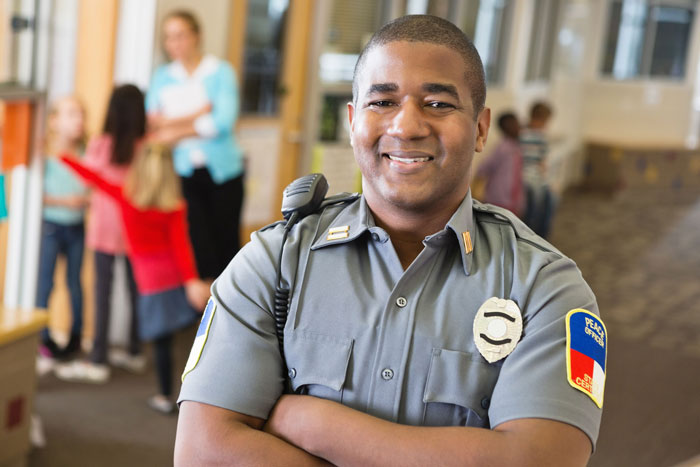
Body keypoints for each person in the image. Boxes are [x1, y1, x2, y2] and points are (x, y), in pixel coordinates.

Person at [175, 15, 605, 466]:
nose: (406, 126)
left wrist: (309, 423)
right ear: (352, 119)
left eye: (438, 104)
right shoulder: (275, 260)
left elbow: (537, 461)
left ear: (480, 128)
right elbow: (203, 453)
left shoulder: (547, 288)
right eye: (382, 101)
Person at [60, 144, 210, 414]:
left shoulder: (125, 197)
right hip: (175, 278)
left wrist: (63, 156)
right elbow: (181, 246)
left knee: (162, 345)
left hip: (151, 283)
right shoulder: (174, 206)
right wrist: (190, 280)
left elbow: (93, 177)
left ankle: (166, 397)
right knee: (189, 342)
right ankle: (198, 398)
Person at [55, 84, 146, 383]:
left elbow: (86, 179)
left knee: (102, 291)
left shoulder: (101, 144)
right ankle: (135, 351)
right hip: (137, 229)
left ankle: (99, 358)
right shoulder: (147, 146)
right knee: (137, 291)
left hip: (106, 228)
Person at [146, 9, 244, 283]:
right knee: (195, 247)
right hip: (182, 174)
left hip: (224, 172)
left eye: (180, 36)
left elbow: (222, 123)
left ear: (196, 36)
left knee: (225, 245)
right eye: (168, 38)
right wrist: (199, 113)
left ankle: (226, 318)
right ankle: (199, 321)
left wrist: (174, 128)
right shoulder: (162, 77)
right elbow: (154, 126)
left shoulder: (220, 72)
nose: (174, 44)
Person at [36, 96, 89, 359]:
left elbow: (95, 188)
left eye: (80, 114)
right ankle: (42, 338)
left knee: (75, 284)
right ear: (54, 121)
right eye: (71, 114)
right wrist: (65, 201)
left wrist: (86, 200)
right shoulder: (44, 155)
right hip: (50, 226)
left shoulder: (87, 154)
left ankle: (75, 337)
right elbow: (34, 194)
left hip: (78, 227)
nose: (78, 120)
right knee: (45, 283)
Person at [474, 111, 524, 216]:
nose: (517, 127)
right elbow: (483, 168)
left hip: (513, 199)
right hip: (499, 198)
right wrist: (475, 188)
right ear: (504, 129)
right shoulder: (502, 148)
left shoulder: (517, 146)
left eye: (517, 124)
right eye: (512, 125)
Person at [521, 101, 554, 238]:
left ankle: (540, 236)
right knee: (535, 203)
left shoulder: (536, 136)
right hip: (525, 176)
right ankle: (532, 235)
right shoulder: (525, 134)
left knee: (549, 201)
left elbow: (542, 164)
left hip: (534, 176)